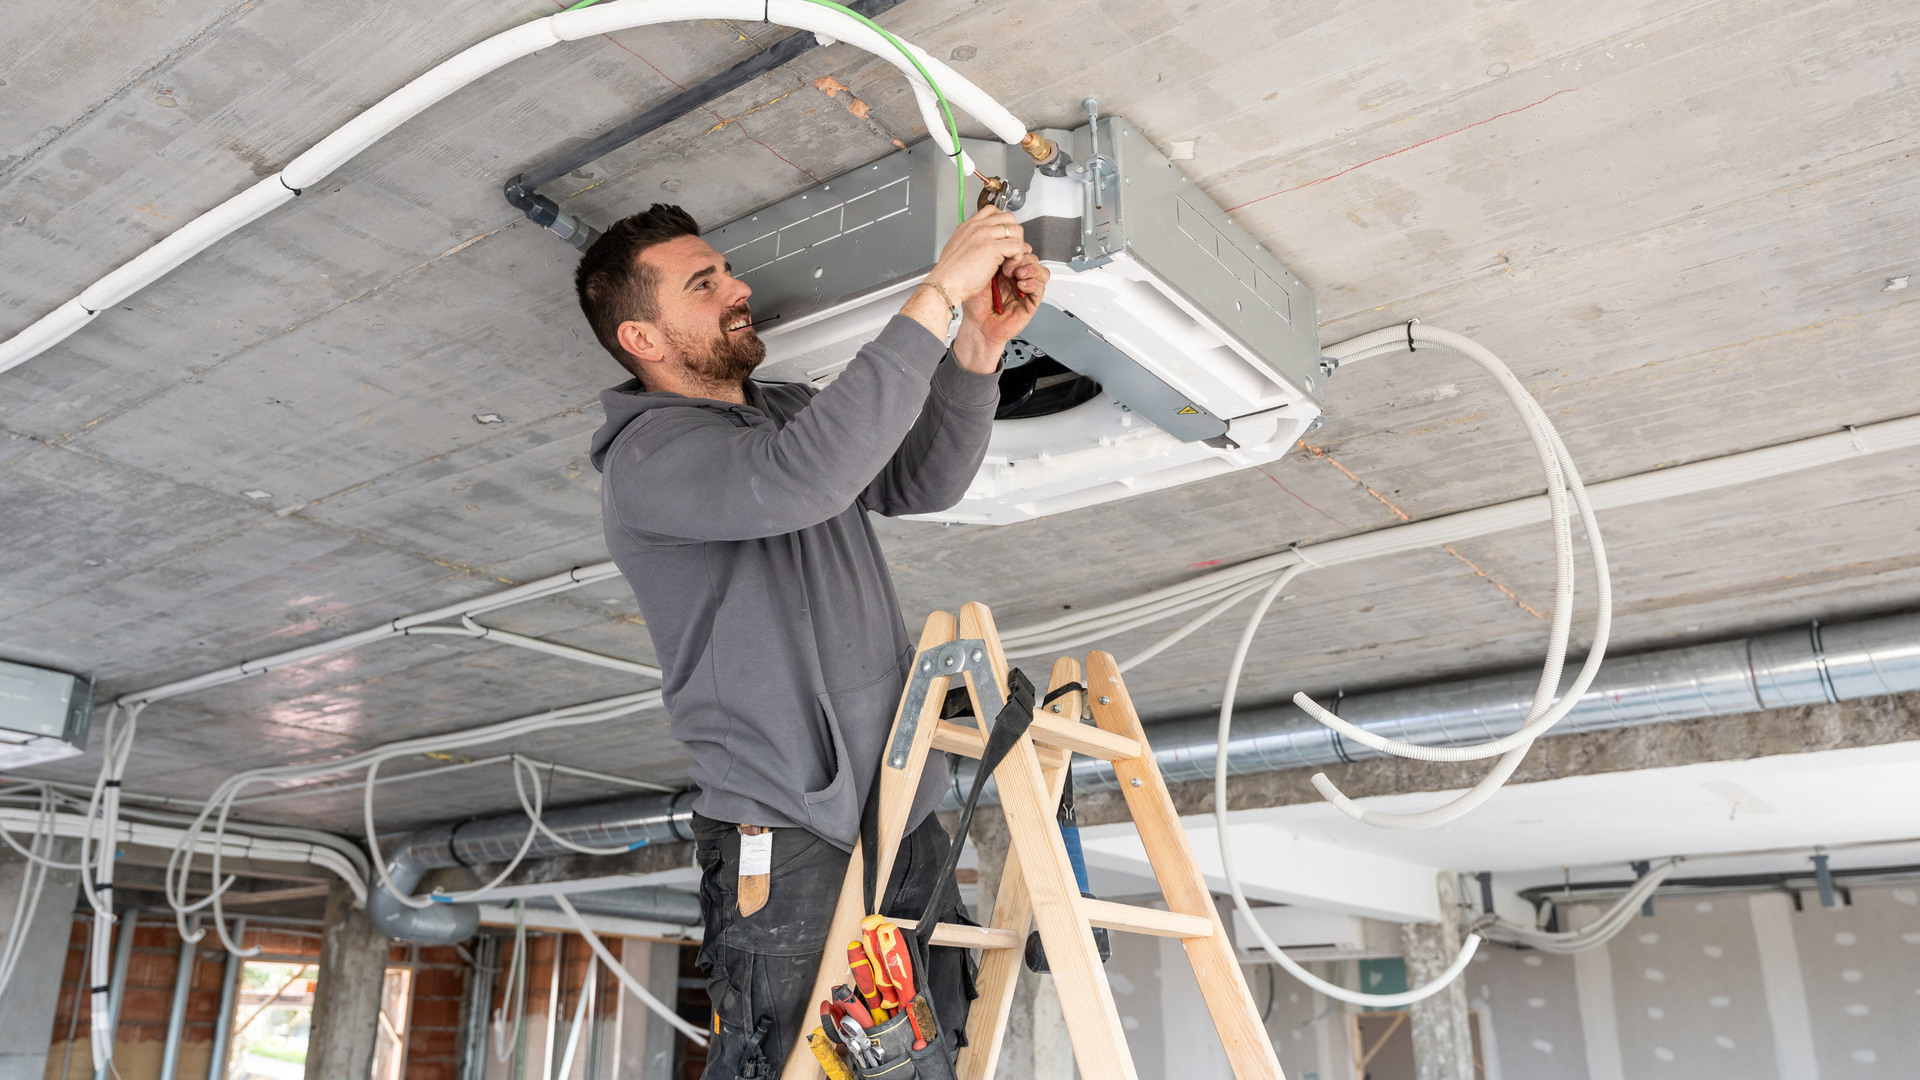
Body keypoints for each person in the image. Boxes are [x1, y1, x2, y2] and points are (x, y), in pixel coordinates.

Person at [579, 201, 1049, 1077]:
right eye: (704, 284)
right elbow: (805, 479)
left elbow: (917, 483)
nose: (739, 289)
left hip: (901, 805)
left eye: (727, 271)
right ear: (642, 338)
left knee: (931, 1051)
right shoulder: (647, 461)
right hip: (789, 831)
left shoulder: (784, 412)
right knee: (805, 1059)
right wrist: (938, 292)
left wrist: (976, 347)